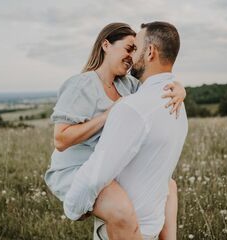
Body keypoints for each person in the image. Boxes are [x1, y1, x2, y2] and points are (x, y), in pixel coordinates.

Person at [44, 22, 186, 240]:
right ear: (106, 45)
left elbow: (153, 89)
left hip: (106, 167)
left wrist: (179, 88)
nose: (131, 56)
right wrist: (106, 116)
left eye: (135, 49)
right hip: (75, 170)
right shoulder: (81, 85)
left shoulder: (127, 85)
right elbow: (61, 140)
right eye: (129, 48)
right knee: (122, 211)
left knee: (169, 187)